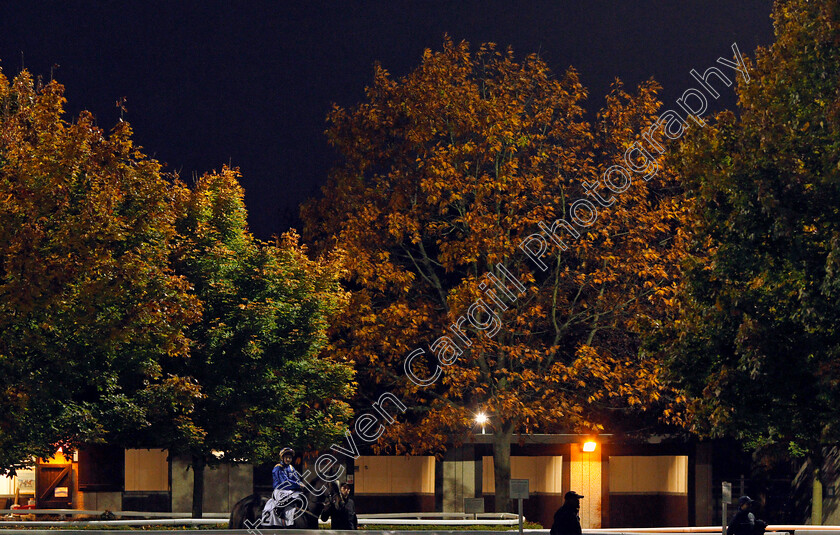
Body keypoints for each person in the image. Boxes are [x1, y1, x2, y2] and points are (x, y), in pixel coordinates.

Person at [262, 447, 304, 527]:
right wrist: (298, 485)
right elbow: (285, 482)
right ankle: (278, 509)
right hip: (280, 490)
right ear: (282, 458)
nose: (288, 459)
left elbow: (296, 479)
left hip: (291, 490)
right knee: (291, 497)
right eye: (287, 457)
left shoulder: (291, 468)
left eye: (290, 458)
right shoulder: (278, 468)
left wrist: (301, 484)